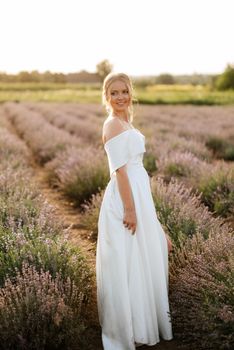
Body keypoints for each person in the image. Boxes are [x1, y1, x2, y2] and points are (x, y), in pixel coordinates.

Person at [96, 72, 173, 350]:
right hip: (125, 199)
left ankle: (141, 324)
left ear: (131, 93)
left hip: (139, 196)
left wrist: (156, 225)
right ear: (106, 96)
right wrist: (130, 210)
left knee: (144, 256)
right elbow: (120, 173)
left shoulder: (126, 122)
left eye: (124, 91)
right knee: (127, 261)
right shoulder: (113, 125)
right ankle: (125, 332)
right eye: (114, 93)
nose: (120, 97)